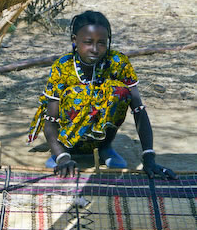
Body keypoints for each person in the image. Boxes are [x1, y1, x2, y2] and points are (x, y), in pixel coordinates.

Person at [28, 10, 176, 179]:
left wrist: (149, 157)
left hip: (102, 140)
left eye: (102, 43)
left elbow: (139, 110)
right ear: (74, 40)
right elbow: (50, 120)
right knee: (80, 95)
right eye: (88, 42)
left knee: (118, 91)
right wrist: (61, 157)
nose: (95, 49)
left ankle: (104, 147)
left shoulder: (118, 63)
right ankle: (64, 151)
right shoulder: (63, 66)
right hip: (66, 144)